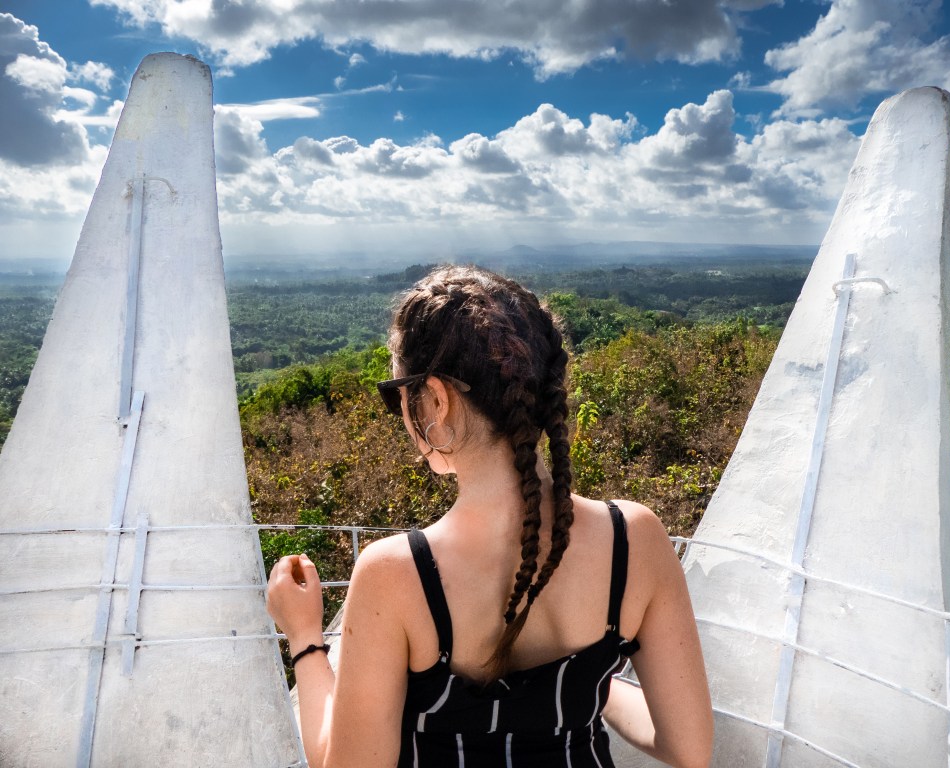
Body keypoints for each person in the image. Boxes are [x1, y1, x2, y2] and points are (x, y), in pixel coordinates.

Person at [266, 265, 713, 768]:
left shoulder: (395, 575)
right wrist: (585, 683)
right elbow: (688, 748)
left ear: (436, 400)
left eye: (401, 397)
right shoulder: (635, 539)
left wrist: (304, 638)